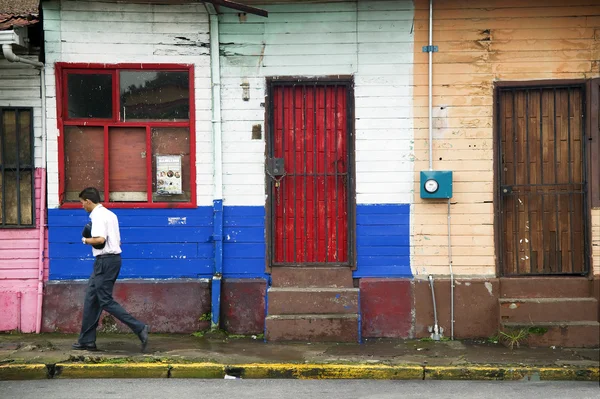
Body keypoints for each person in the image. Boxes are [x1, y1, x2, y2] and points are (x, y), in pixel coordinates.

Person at [72, 187, 149, 352]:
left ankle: (139, 327)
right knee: (91, 299)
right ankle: (86, 340)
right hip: (112, 260)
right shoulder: (110, 215)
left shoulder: (98, 216)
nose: (82, 206)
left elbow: (100, 240)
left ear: (88, 201)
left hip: (105, 261)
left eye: (82, 202)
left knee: (104, 300)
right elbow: (118, 242)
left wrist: (85, 240)